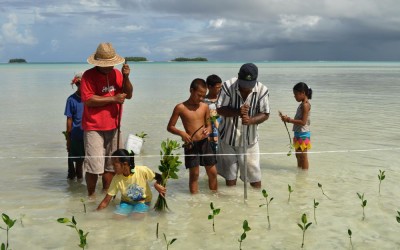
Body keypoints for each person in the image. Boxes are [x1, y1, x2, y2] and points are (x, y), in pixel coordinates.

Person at [81, 42, 133, 199]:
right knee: (94, 166)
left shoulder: (117, 74)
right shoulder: (88, 76)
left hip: (114, 125)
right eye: (106, 64)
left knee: (112, 166)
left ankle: (106, 195)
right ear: (98, 63)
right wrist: (112, 99)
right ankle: (91, 196)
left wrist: (126, 77)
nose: (110, 67)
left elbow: (128, 94)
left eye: (111, 64)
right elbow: (88, 99)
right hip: (93, 127)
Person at [216, 63, 270, 188]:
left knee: (254, 175)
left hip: (249, 140)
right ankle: (231, 200)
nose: (246, 89)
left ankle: (256, 203)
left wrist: (250, 120)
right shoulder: (227, 86)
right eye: (243, 85)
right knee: (230, 175)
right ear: (238, 76)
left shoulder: (262, 90)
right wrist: (238, 112)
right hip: (228, 138)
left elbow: (265, 113)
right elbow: (220, 109)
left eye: (249, 86)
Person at [167, 78, 218, 194]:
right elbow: (170, 127)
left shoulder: (205, 106)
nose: (200, 98)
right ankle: (194, 201)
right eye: (199, 95)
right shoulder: (180, 107)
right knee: (194, 174)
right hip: (191, 144)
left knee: (213, 172)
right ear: (191, 90)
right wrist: (182, 133)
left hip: (205, 142)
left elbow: (208, 124)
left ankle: (215, 197)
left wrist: (208, 130)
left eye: (203, 96)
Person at [97, 149, 166, 218]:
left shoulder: (142, 170)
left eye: (115, 165)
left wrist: (156, 184)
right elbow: (106, 201)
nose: (113, 168)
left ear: (125, 164)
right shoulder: (116, 178)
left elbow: (160, 177)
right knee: (116, 218)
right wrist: (95, 214)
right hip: (126, 203)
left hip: (143, 202)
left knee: (136, 218)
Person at [279, 82, 312, 170]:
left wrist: (289, 120)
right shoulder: (301, 104)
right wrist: (287, 119)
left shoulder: (305, 105)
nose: (294, 96)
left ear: (303, 93)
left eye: (296, 94)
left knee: (303, 157)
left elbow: (303, 122)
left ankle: (304, 175)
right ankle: (299, 174)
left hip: (303, 134)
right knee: (298, 156)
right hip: (298, 133)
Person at [64, 72, 85, 181]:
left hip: (90, 134)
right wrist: (68, 138)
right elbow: (69, 120)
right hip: (76, 135)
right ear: (77, 84)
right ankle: (78, 186)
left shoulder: (90, 98)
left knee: (90, 162)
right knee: (78, 163)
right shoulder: (71, 99)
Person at [204, 74, 222, 154]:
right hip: (209, 137)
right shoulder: (203, 101)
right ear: (209, 87)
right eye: (217, 87)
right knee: (211, 164)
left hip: (223, 136)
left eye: (220, 87)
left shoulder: (223, 99)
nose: (220, 89)